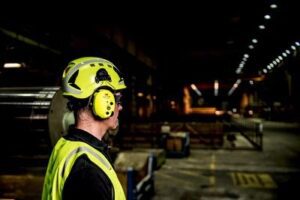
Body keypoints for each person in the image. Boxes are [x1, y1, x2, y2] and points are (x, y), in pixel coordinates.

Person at [42, 57, 126, 200]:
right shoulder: (88, 171)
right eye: (117, 100)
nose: (120, 107)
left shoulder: (66, 145)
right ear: (102, 101)